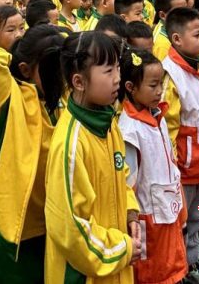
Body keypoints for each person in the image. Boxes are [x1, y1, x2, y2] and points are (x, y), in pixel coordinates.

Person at [45, 30, 139, 284]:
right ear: (79, 82)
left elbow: (123, 177)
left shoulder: (107, 121)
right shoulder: (71, 145)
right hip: (85, 272)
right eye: (108, 72)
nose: (118, 78)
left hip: (112, 262)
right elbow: (69, 228)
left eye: (118, 68)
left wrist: (131, 212)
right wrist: (123, 249)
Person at [0, 26, 65, 284]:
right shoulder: (12, 96)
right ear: (25, 70)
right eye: (51, 70)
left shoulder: (61, 99)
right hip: (15, 222)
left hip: (50, 219)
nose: (60, 77)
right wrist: (14, 50)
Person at [119, 46, 188, 282]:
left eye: (161, 83)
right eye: (152, 85)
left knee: (170, 266)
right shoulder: (129, 131)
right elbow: (128, 185)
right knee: (153, 273)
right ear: (130, 87)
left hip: (167, 209)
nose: (160, 91)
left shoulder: (156, 115)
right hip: (149, 219)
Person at [162, 7, 199, 284]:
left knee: (197, 215)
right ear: (176, 39)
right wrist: (174, 167)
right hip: (184, 166)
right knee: (180, 222)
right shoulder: (170, 74)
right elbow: (169, 127)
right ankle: (178, 268)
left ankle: (192, 262)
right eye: (197, 34)